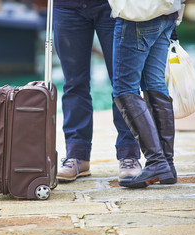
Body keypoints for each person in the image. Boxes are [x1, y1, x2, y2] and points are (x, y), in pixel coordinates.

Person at [53, 0, 141, 182]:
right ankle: (77, 156)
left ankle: (129, 155)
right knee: (73, 83)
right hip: (67, 6)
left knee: (124, 83)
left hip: (114, 5)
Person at [112, 1, 185, 188]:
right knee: (154, 84)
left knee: (124, 88)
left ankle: (157, 162)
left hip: (138, 14)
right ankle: (166, 164)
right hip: (167, 12)